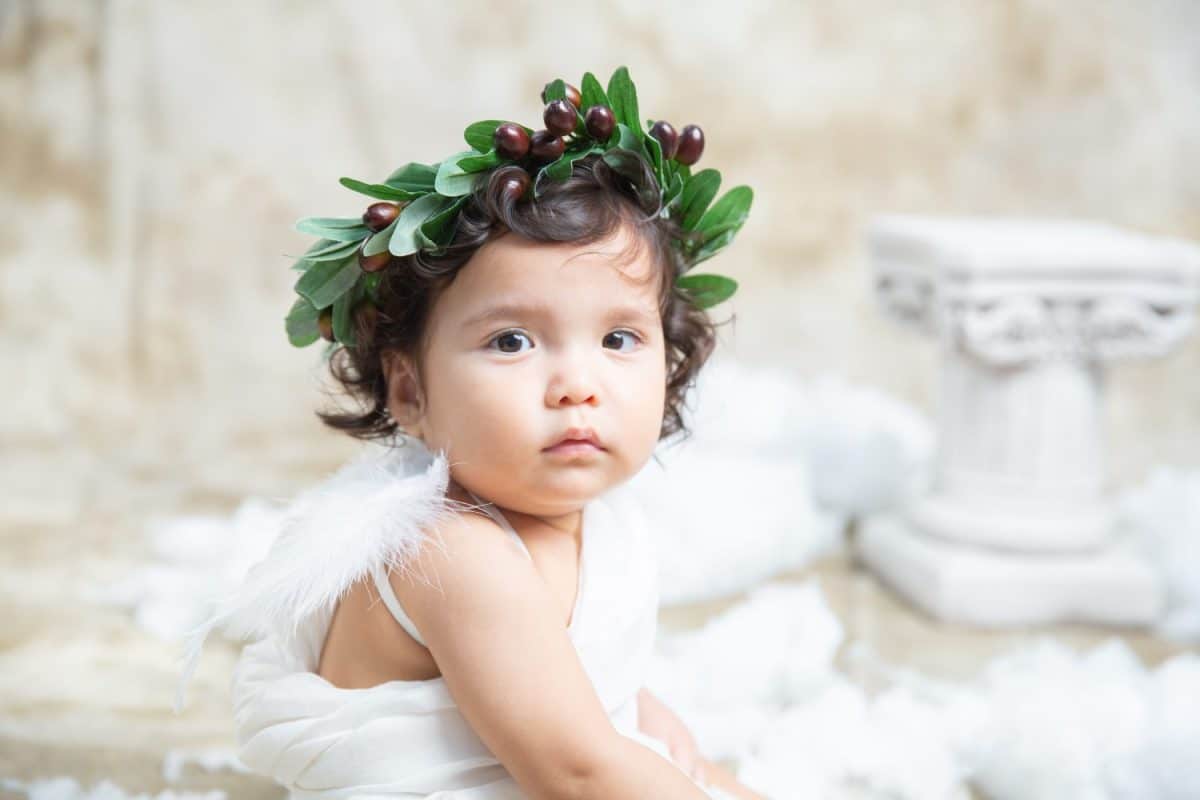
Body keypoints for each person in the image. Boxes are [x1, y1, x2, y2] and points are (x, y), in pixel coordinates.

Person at [176, 67, 763, 799]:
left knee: (679, 753)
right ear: (410, 391)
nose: (578, 385)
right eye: (513, 342)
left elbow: (572, 681)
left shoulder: (595, 523)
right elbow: (578, 771)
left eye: (618, 339)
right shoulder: (454, 551)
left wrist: (675, 750)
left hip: (562, 759)